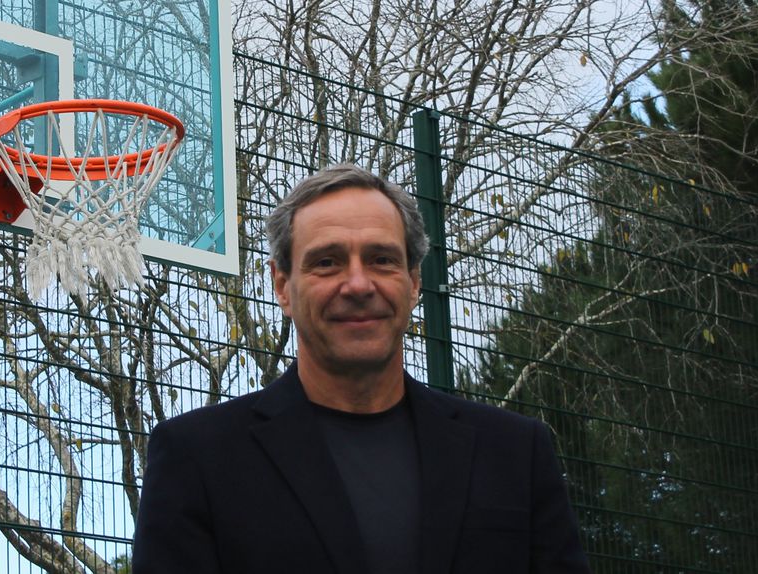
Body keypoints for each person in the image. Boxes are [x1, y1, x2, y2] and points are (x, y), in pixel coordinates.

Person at [132, 164, 590, 573]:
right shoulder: (197, 457)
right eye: (327, 262)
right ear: (283, 287)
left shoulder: (515, 453)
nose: (357, 283)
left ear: (413, 284)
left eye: (382, 259)